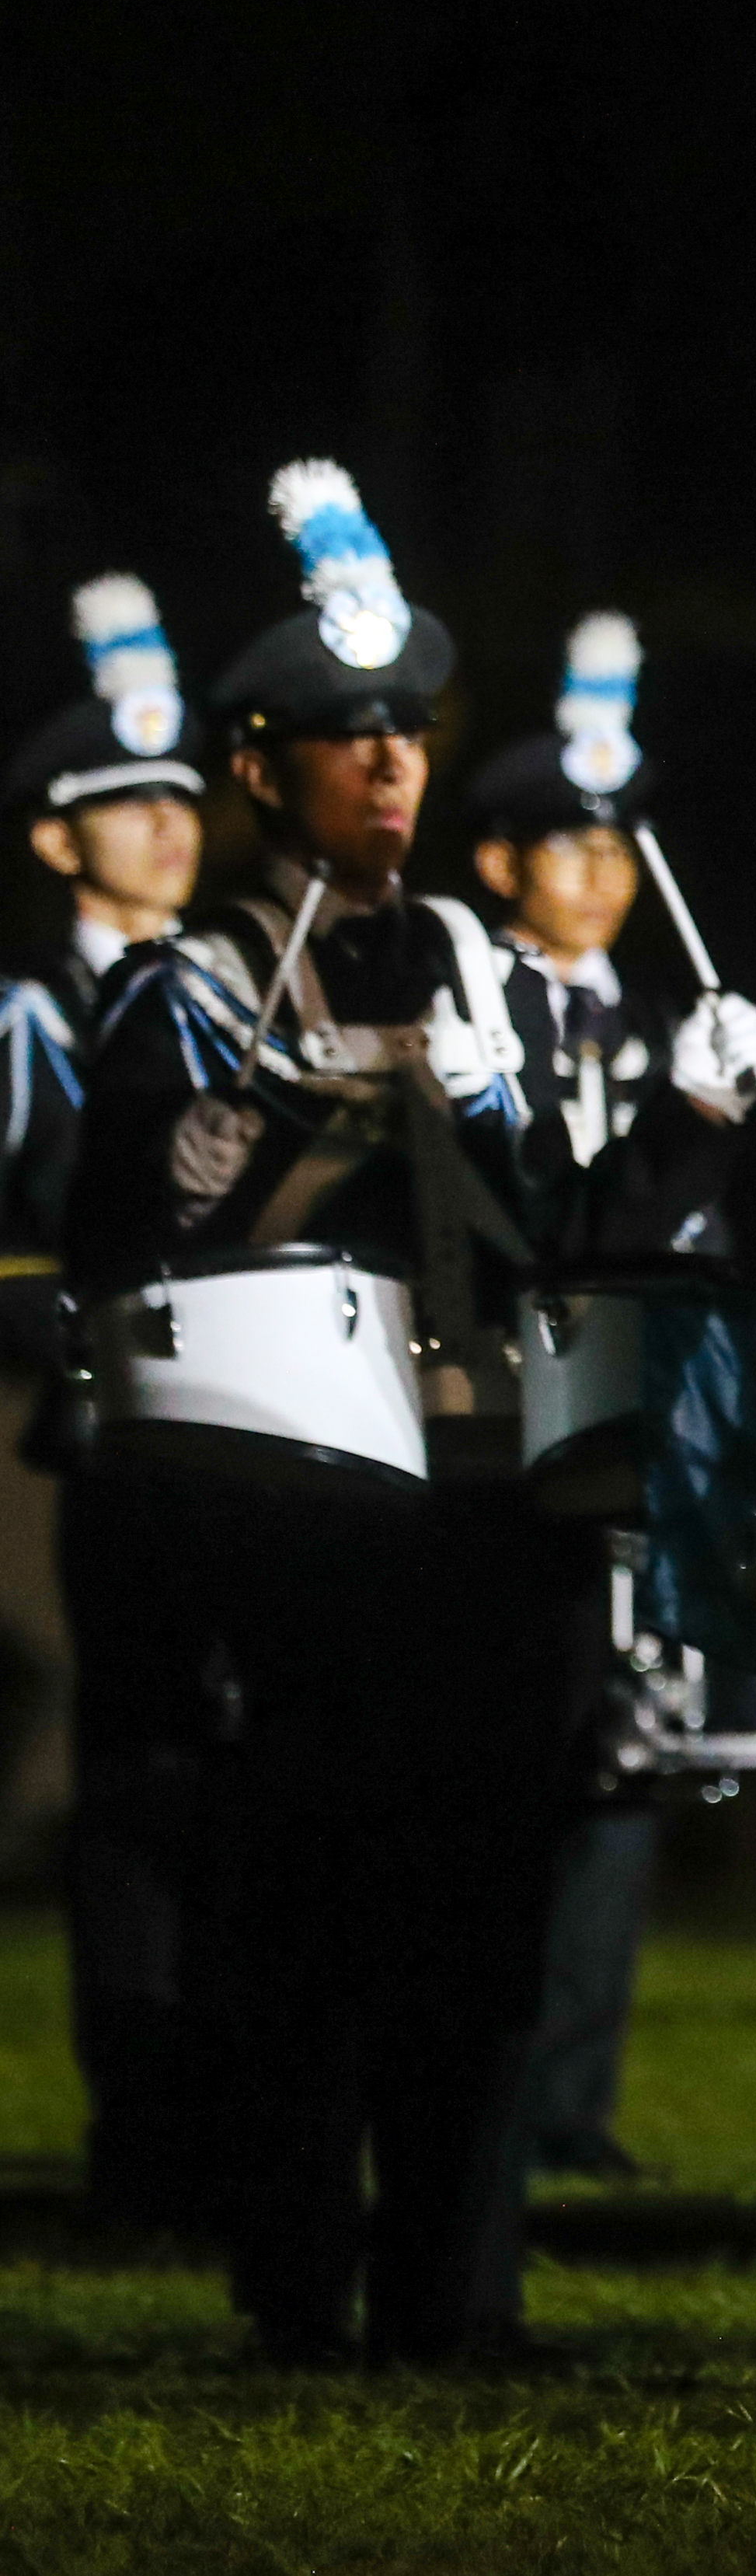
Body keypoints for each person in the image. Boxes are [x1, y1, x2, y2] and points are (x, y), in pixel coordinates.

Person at [71, 465, 756, 2365]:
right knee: (302, 1910)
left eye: (406, 732)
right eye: (343, 736)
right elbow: (121, 1237)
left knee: (486, 1917)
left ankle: (457, 2290)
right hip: (299, 1504)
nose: (388, 765)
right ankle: (298, 2276)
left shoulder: (491, 975)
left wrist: (688, 1128)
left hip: (492, 1491)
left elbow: (576, 1246)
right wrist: (243, 1131)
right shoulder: (188, 989)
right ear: (257, 765)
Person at [458, 614, 756, 2185]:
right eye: (570, 844)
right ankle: (500, 2078)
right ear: (500, 859)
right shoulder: (477, 1013)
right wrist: (688, 1125)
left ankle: (575, 2089)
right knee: (515, 1749)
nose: (605, 873)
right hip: (504, 1422)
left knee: (626, 1753)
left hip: (637, 1423)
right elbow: (564, 1226)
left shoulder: (649, 1018)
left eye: (621, 847)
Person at [2, 572, 225, 2232]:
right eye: (124, 806)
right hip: (100, 1430)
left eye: (181, 802)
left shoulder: (232, 994)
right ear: (54, 842)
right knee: (140, 1770)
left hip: (255, 1434)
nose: (166, 832)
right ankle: (146, 2135)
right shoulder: (29, 1021)